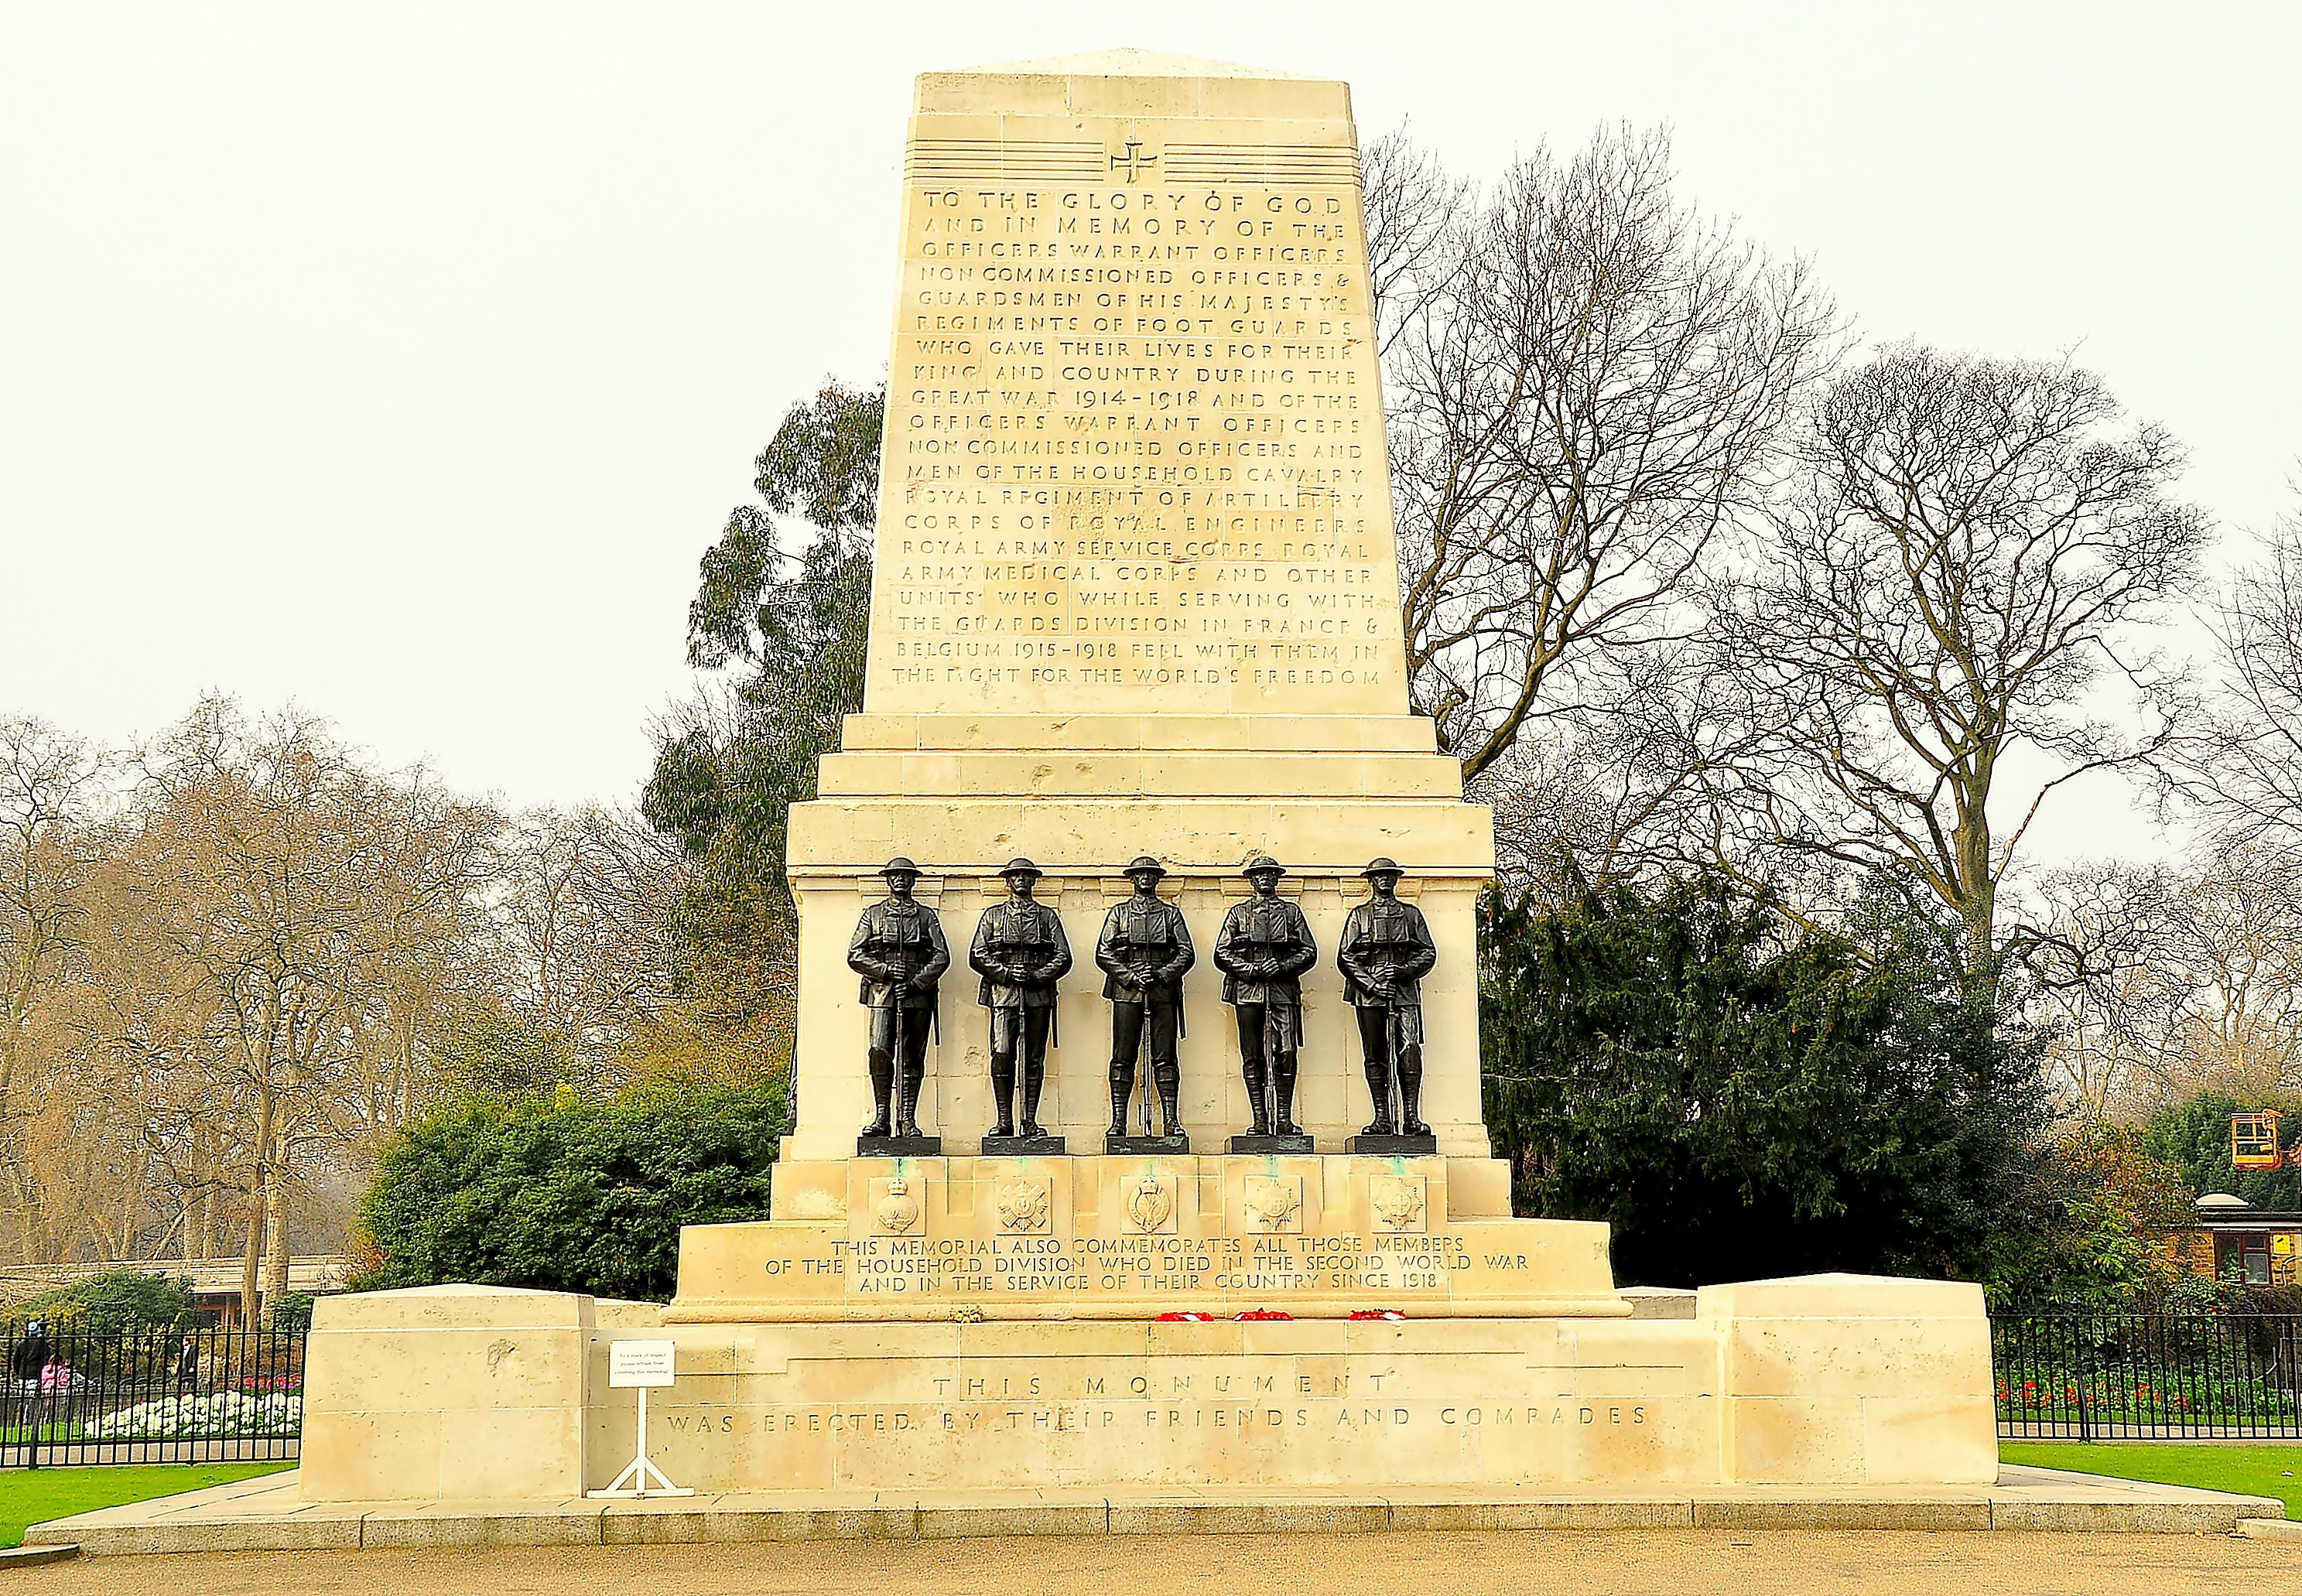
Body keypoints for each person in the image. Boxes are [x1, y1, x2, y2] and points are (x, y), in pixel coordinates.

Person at [846, 857, 951, 1141]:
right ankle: (882, 1116)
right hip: (882, 993)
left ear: (913, 880)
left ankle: (907, 1118)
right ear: (888, 880)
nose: (901, 880)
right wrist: (884, 970)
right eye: (896, 875)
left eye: (906, 875)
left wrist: (917, 982)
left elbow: (941, 955)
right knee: (880, 1051)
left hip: (916, 995)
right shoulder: (873, 914)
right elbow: (855, 954)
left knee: (912, 1057)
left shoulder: (926, 916)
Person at [1213, 855, 1318, 1139]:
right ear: (1252, 879)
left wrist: (1283, 966)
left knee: (1286, 1052)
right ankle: (1260, 1119)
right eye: (1260, 874)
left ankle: (1284, 1118)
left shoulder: (1291, 912)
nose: (1266, 879)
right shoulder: (1239, 913)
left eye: (1271, 874)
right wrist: (1251, 968)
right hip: (1248, 990)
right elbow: (1222, 952)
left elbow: (1309, 951)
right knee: (1253, 1056)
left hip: (1282, 990)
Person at [1336, 857, 1438, 1139]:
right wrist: (1371, 984)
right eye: (1378, 875)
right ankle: (1382, 1116)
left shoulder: (1411, 914)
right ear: (1370, 880)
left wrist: (1405, 970)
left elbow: (1428, 952)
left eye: (1389, 875)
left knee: (1409, 1050)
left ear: (1395, 879)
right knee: (1375, 1055)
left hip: (1404, 992)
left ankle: (1411, 1117)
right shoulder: (1359, 915)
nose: (1384, 880)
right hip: (1369, 994)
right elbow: (1345, 956)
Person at [970, 858, 1072, 1140]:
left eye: (1027, 876)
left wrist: (1038, 976)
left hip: (1037, 994)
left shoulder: (1047, 917)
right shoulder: (993, 916)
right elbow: (977, 954)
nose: (1022, 881)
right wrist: (1005, 973)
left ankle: (1029, 1120)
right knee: (1002, 1054)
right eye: (1016, 876)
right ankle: (1004, 1120)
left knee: (1034, 1059)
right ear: (1008, 881)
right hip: (1003, 994)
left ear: (1034, 881)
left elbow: (1064, 956)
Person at [1096, 855, 1195, 1142]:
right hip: (1127, 991)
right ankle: (1119, 1121)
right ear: (1133, 878)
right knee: (1123, 1056)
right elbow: (1104, 952)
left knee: (1164, 1057)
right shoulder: (1119, 913)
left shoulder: (1170, 914)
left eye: (1151, 874)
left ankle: (1171, 1121)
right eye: (1141, 874)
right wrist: (1129, 976)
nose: (1146, 878)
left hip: (1162, 990)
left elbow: (1185, 952)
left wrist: (1163, 974)